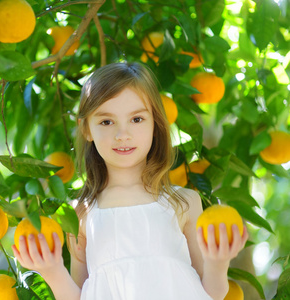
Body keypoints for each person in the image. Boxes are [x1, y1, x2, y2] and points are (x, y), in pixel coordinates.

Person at [12, 62, 248, 300]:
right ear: (86, 130)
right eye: (106, 121)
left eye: (136, 119)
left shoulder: (184, 202)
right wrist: (52, 272)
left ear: (155, 123)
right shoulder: (81, 214)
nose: (122, 134)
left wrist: (218, 264)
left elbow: (212, 295)